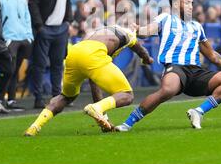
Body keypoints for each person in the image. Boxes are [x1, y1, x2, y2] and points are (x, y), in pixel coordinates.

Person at [115, 0, 221, 132]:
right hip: (176, 67)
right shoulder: (165, 19)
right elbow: (147, 31)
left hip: (196, 72)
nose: (191, 6)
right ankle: (127, 124)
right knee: (168, 90)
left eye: (191, 3)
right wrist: (138, 29)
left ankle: (198, 112)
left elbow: (212, 56)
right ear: (175, 5)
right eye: (186, 3)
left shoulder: (196, 26)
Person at [24, 24, 153, 136]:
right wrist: (147, 59)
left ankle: (34, 126)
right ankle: (96, 108)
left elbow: (94, 82)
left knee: (66, 96)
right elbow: (141, 50)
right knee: (127, 95)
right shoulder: (129, 33)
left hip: (74, 53)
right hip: (93, 54)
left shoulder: (98, 31)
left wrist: (104, 120)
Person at [28, 0, 73, 108]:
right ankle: (38, 98)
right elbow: (33, 2)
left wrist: (68, 21)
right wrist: (39, 25)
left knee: (58, 64)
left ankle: (57, 96)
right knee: (39, 65)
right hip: (45, 29)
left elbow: (68, 2)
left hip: (61, 29)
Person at [0, 0, 34, 111]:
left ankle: (11, 100)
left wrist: (29, 36)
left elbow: (27, 18)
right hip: (9, 39)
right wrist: (4, 38)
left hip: (23, 39)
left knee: (15, 70)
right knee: (8, 70)